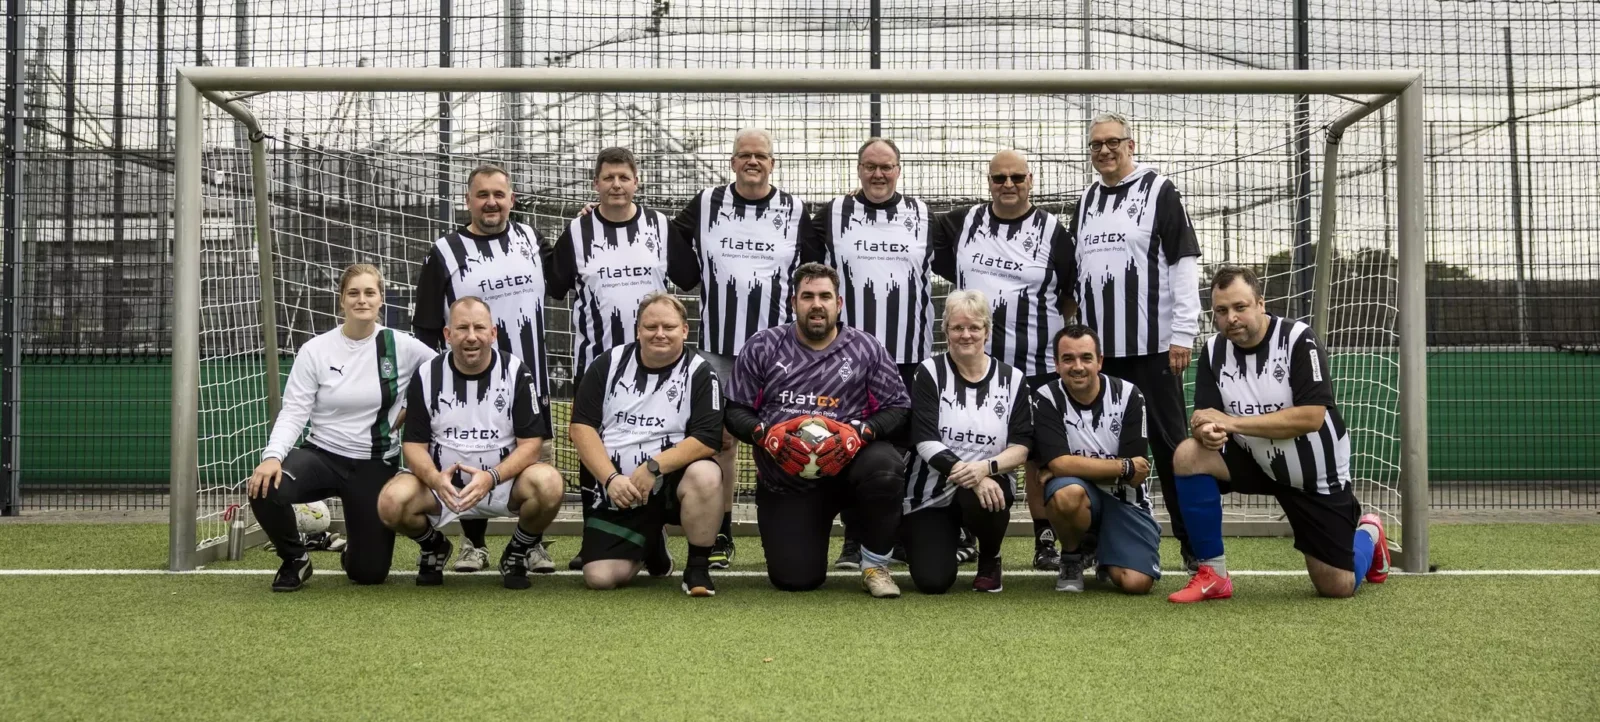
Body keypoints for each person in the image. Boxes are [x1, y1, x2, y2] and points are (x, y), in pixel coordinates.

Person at [1168, 266, 1390, 603]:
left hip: (1313, 475)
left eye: (1240, 307)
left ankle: (1370, 532)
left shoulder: (1299, 339)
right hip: (1255, 460)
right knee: (1188, 455)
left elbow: (1312, 417)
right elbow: (1204, 416)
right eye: (1222, 310)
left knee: (1336, 587)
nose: (1231, 318)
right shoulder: (1213, 351)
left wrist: (1232, 424)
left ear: (1260, 303)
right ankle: (1213, 574)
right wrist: (1206, 433)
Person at [669, 128, 825, 571]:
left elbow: (815, 267)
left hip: (778, 351)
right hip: (718, 346)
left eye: (761, 155)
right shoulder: (705, 204)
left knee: (787, 435)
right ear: (732, 162)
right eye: (744, 155)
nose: (752, 161)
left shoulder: (794, 210)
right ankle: (719, 532)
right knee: (718, 440)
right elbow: (665, 238)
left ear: (773, 163)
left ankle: (792, 526)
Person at [545, 147, 698, 570]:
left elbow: (689, 276)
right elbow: (554, 283)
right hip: (597, 362)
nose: (616, 185)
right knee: (595, 443)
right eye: (608, 177)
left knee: (654, 439)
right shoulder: (577, 233)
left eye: (623, 177)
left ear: (637, 182)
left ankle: (654, 534)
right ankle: (594, 535)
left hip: (657, 368)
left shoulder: (659, 227)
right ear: (596, 184)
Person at [1065, 112, 1204, 571]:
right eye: (1096, 145)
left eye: (1113, 142)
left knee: (1171, 448)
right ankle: (1095, 543)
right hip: (1100, 357)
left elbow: (1184, 262)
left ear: (1132, 144)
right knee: (1099, 450)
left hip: (1153, 348)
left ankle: (1193, 545)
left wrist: (1183, 333)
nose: (1104, 151)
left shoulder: (1160, 190)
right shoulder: (1085, 200)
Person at [724, 263, 911, 597]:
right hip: (788, 481)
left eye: (825, 296)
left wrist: (862, 433)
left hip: (848, 469)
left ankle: (874, 563)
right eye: (807, 296)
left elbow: (898, 407)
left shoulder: (866, 348)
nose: (817, 304)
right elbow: (735, 409)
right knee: (796, 580)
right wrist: (764, 434)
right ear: (793, 302)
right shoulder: (763, 345)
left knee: (885, 467)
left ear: (838, 303)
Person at [246, 264, 436, 592]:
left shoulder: (402, 346)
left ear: (381, 301)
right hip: (323, 456)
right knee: (266, 486)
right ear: (341, 301)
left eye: (369, 293)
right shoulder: (316, 350)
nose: (361, 300)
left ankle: (355, 551)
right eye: (353, 293)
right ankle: (295, 558)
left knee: (369, 574)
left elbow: (443, 376)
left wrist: (408, 408)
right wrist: (273, 456)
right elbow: (294, 411)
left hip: (375, 464)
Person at [934, 149, 1074, 572]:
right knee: (961, 437)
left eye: (1016, 177)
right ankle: (963, 526)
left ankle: (1044, 538)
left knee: (1035, 454)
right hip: (974, 365)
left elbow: (1068, 295)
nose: (1008, 185)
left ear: (1031, 180)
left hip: (1036, 363)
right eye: (999, 178)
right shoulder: (962, 223)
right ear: (988, 181)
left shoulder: (1053, 231)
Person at [411, 163, 552, 575]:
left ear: (511, 199)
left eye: (499, 194)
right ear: (468, 201)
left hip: (530, 375)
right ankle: (473, 545)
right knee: (471, 451)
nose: (491, 202)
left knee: (534, 458)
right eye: (482, 195)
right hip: (464, 380)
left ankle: (532, 544)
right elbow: (424, 326)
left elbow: (561, 277)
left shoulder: (531, 239)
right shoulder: (445, 252)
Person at [814, 137, 944, 569]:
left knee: (905, 449)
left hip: (908, 355)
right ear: (858, 169)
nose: (878, 174)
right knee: (849, 444)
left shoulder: (926, 218)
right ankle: (855, 537)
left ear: (899, 170)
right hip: (847, 358)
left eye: (886, 166)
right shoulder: (832, 215)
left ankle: (898, 534)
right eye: (870, 166)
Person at [376, 297, 565, 589]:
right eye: (462, 328)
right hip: (444, 488)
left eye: (480, 327)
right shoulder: (427, 375)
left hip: (501, 484)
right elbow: (414, 446)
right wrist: (435, 479)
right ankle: (433, 546)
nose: (471, 336)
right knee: (390, 502)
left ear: (493, 333)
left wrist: (492, 477)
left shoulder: (516, 372)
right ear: (447, 335)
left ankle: (517, 550)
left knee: (550, 483)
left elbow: (531, 444)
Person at [569, 293, 725, 596]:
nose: (660, 334)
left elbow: (707, 439)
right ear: (638, 330)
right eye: (651, 327)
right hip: (618, 491)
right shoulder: (608, 364)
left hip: (669, 487)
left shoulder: (700, 372)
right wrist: (611, 479)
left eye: (669, 326)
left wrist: (653, 467)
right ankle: (651, 543)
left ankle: (697, 569)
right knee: (599, 579)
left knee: (706, 474)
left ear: (684, 330)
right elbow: (581, 428)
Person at [902, 290, 1032, 594]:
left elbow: (1022, 446)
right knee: (932, 582)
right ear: (945, 330)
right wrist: (971, 475)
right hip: (930, 490)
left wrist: (985, 469)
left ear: (986, 331)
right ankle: (951, 540)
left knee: (988, 493)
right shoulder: (929, 372)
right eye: (957, 327)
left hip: (988, 486)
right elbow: (924, 439)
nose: (966, 334)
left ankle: (989, 556)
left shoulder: (1012, 379)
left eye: (974, 327)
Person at [1034, 325, 1161, 594]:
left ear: (1100, 361)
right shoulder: (1046, 398)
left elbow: (1137, 472)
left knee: (1136, 584)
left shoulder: (1129, 396)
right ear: (1056, 364)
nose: (1077, 366)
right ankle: (1072, 556)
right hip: (1082, 496)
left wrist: (1068, 466)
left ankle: (1099, 545)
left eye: (1086, 358)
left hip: (1124, 500)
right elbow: (1060, 464)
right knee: (1067, 494)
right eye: (1068, 359)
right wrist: (1120, 466)